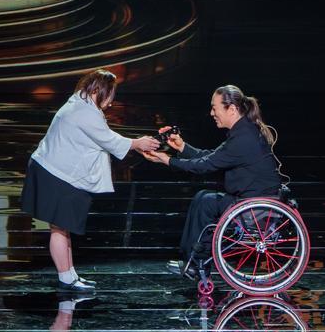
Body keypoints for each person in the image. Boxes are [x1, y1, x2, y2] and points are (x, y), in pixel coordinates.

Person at [21, 68, 160, 292]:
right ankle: (66, 279)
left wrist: (136, 144)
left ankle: (70, 275)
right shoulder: (83, 111)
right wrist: (138, 143)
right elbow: (108, 139)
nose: (111, 102)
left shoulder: (82, 105)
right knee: (59, 228)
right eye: (110, 95)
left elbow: (102, 139)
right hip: (54, 173)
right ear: (98, 90)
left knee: (62, 227)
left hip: (55, 172)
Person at [141, 84, 284, 275]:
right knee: (203, 197)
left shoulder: (243, 137)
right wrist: (182, 147)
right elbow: (210, 157)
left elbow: (205, 165)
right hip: (252, 201)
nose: (211, 113)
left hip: (255, 208)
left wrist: (167, 160)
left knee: (206, 202)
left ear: (231, 109)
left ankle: (196, 262)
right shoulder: (243, 132)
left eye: (214, 108)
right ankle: (192, 260)